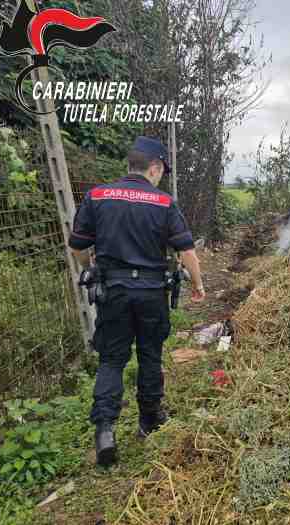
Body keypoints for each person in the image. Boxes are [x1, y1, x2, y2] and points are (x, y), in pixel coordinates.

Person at [68, 136, 206, 467]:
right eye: (162, 172)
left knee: (112, 360)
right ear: (155, 168)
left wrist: (92, 269)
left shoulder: (97, 196)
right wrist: (198, 284)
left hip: (112, 292)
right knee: (149, 355)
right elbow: (186, 251)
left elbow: (77, 247)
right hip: (150, 294)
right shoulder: (163, 202)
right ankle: (149, 421)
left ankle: (104, 430)